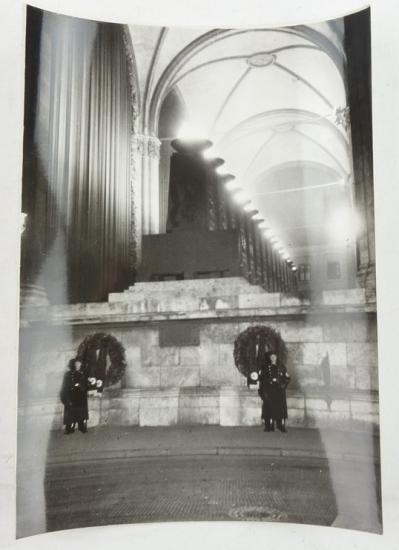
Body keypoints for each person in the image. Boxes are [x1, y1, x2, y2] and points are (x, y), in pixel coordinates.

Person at [259, 352, 290, 433]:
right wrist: (268, 383)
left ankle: (281, 426)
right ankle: (269, 426)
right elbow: (262, 379)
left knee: (281, 408)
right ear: (269, 358)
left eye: (274, 356)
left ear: (277, 357)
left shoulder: (281, 366)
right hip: (269, 390)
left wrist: (282, 384)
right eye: (271, 356)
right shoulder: (265, 367)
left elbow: (287, 378)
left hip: (279, 391)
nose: (273, 358)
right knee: (268, 408)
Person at [60, 358, 89, 434]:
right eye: (76, 365)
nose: (78, 366)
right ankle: (70, 427)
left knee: (80, 411)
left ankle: (81, 426)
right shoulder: (67, 374)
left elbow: (84, 385)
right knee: (70, 411)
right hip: (70, 396)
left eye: (79, 364)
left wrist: (80, 385)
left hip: (79, 396)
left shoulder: (80, 374)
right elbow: (64, 386)